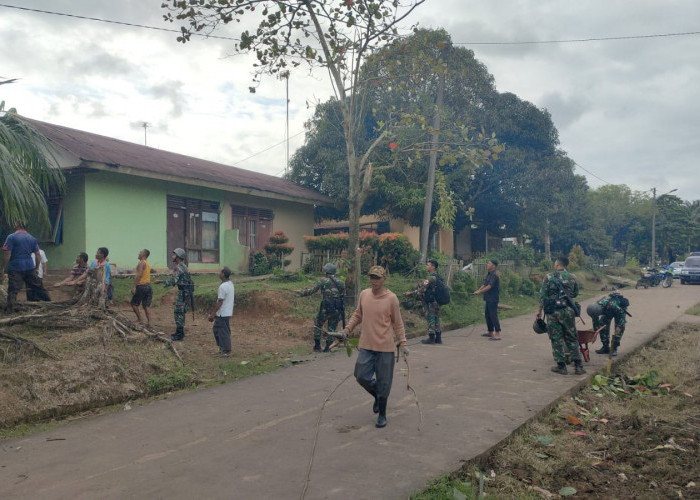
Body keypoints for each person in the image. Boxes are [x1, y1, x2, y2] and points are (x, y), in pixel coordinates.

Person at [341, 265, 408, 428]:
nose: (374, 280)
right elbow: (358, 314)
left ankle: (382, 415)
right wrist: (348, 329)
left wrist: (403, 342)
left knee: (384, 382)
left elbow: (397, 323)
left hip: (385, 347)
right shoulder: (364, 294)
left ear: (384, 279)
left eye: (377, 277)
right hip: (366, 345)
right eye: (372, 277)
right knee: (361, 375)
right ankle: (377, 396)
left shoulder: (391, 298)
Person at [537, 256, 585, 375]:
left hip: (553, 312)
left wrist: (539, 311)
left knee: (556, 338)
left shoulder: (548, 277)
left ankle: (561, 366)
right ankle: (578, 366)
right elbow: (575, 293)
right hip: (568, 311)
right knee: (572, 337)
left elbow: (542, 296)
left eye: (555, 262)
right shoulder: (573, 277)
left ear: (557, 264)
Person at [296, 262, 346, 352]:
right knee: (332, 327)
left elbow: (312, 291)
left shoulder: (323, 281)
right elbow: (343, 296)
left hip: (325, 308)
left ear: (326, 272)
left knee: (318, 324)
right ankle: (328, 347)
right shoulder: (341, 282)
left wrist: (301, 293)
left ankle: (317, 346)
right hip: (337, 308)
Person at [3, 221, 52, 311]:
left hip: (15, 267)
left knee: (13, 289)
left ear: (17, 224)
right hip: (29, 266)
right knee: (38, 286)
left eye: (15, 223)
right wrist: (36, 268)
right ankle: (49, 303)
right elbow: (38, 255)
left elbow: (7, 254)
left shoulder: (11, 237)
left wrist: (3, 268)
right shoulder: (32, 238)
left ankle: (11, 309)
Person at [155, 248, 193, 341]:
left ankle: (179, 334)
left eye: (174, 254)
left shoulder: (178, 267)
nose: (172, 256)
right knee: (181, 312)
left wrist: (160, 281)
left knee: (178, 312)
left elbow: (173, 281)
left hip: (183, 293)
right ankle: (179, 332)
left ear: (178, 256)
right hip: (187, 293)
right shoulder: (184, 266)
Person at [405, 258, 443, 345]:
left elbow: (421, 289)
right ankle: (438, 338)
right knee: (436, 318)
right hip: (437, 301)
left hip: (431, 302)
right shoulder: (438, 277)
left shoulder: (430, 278)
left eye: (428, 265)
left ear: (433, 267)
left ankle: (431, 338)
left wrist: (410, 293)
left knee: (431, 319)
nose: (426, 267)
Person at [590, 291, 630, 357]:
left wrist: (619, 326)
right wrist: (596, 331)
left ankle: (614, 349)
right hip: (608, 311)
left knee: (618, 330)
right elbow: (596, 323)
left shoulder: (612, 305)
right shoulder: (596, 307)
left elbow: (621, 314)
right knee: (602, 325)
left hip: (619, 312)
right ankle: (605, 347)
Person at [208, 266, 234, 357]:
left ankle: (227, 351)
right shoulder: (230, 284)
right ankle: (222, 348)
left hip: (223, 313)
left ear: (223, 274)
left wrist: (213, 314)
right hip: (227, 312)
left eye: (220, 272)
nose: (219, 274)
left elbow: (220, 301)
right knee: (217, 330)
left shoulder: (223, 286)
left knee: (223, 332)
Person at [474, 259, 501, 340]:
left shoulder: (494, 275)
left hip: (493, 299)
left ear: (493, 266)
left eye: (489, 263)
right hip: (488, 298)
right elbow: (485, 284)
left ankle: (497, 334)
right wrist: (478, 290)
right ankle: (490, 332)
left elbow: (489, 286)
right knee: (487, 315)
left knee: (493, 315)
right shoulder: (489, 274)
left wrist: (480, 292)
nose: (487, 264)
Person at [131, 249, 153, 328]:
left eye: (140, 252)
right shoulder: (147, 263)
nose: (138, 253)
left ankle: (140, 319)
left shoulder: (141, 263)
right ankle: (150, 322)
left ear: (143, 255)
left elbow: (139, 275)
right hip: (148, 286)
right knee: (146, 305)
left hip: (141, 286)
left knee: (134, 304)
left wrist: (134, 286)